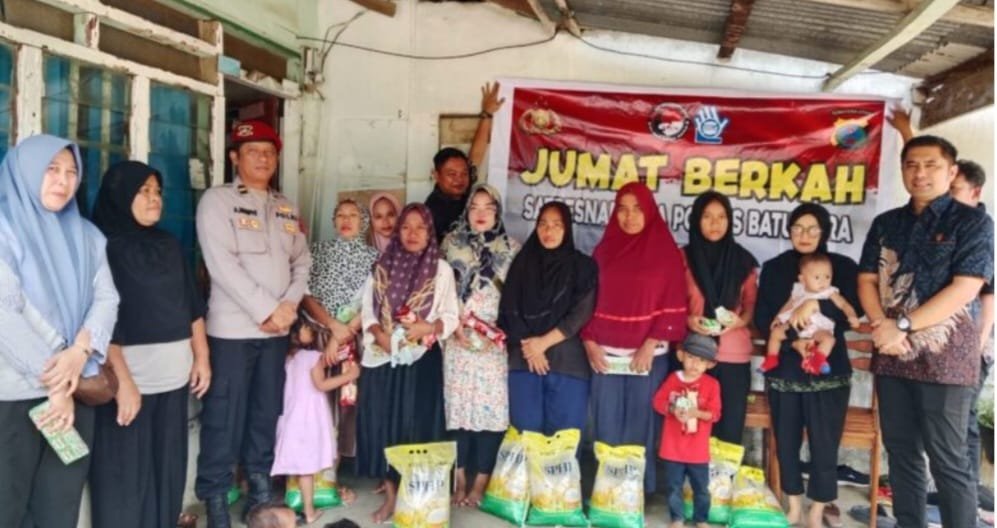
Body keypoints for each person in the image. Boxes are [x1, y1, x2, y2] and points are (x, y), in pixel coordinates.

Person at [857, 135, 993, 527]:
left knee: (948, 461)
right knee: (901, 453)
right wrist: (882, 326)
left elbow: (965, 287)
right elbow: (867, 279)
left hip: (946, 361)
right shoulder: (887, 223)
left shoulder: (973, 222)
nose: (920, 173)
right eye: (912, 165)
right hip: (893, 356)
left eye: (931, 165)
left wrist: (901, 325)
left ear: (951, 172)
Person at [195, 120, 312, 528]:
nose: (263, 158)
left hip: (276, 332)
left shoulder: (285, 206)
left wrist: (289, 306)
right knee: (223, 417)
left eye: (269, 152)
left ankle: (260, 494)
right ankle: (215, 500)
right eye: (252, 151)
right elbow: (222, 265)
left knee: (266, 412)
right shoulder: (218, 201)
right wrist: (267, 309)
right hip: (232, 332)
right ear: (234, 157)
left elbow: (302, 261)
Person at [0, 135, 119, 527]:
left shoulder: (88, 236)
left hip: (76, 389)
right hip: (13, 396)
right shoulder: (4, 230)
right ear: (25, 172)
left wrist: (80, 352)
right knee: (6, 506)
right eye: (51, 170)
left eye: (71, 172)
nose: (63, 181)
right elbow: (6, 313)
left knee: (59, 505)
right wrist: (57, 384)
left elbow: (107, 298)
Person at [88, 161, 211, 528]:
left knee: (167, 473)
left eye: (157, 192)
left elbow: (191, 306)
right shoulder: (104, 247)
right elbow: (103, 322)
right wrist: (124, 383)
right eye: (144, 192)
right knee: (125, 479)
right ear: (120, 195)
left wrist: (202, 357)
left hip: (173, 380)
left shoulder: (168, 244)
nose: (154, 199)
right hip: (130, 384)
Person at [754, 202, 862, 528]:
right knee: (786, 441)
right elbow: (763, 317)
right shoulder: (775, 269)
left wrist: (816, 304)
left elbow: (853, 312)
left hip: (829, 370)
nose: (805, 235)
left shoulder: (842, 267)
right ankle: (794, 506)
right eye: (797, 228)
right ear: (788, 231)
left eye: (813, 228)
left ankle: (817, 510)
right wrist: (793, 342)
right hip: (786, 369)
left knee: (824, 443)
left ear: (825, 231)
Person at [355, 203, 459, 523]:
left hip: (420, 359)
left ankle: (414, 497)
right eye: (406, 227)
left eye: (420, 227)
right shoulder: (382, 266)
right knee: (383, 425)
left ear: (430, 232)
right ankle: (390, 497)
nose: (412, 234)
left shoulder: (440, 269)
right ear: (398, 232)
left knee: (415, 426)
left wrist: (428, 328)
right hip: (383, 357)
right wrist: (379, 334)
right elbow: (367, 310)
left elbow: (451, 316)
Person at [582, 181, 688, 494]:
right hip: (605, 355)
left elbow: (673, 304)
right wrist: (589, 342)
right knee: (606, 423)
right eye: (622, 209)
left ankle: (635, 492)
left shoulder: (666, 254)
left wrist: (650, 343)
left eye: (637, 209)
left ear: (650, 211)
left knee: (641, 425)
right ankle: (608, 493)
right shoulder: (603, 251)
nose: (629, 217)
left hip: (648, 356)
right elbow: (585, 301)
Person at [440, 183, 520, 506]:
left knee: (491, 412)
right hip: (457, 337)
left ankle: (480, 483)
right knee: (457, 410)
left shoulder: (511, 248)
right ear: (467, 211)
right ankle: (459, 480)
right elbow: (439, 289)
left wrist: (498, 332)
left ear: (497, 212)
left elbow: (517, 299)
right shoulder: (450, 243)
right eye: (475, 207)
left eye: (488, 207)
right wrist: (453, 324)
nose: (481, 213)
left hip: (492, 342)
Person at [499, 201, 598, 436]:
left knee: (563, 442)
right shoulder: (522, 264)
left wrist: (541, 344)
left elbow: (581, 313)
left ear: (567, 229)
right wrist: (531, 348)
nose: (548, 231)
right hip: (524, 361)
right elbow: (509, 309)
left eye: (556, 225)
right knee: (525, 436)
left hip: (567, 364)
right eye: (543, 224)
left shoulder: (582, 266)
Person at [302, 198, 378, 484]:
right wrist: (332, 326)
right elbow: (305, 295)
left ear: (363, 222)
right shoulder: (317, 252)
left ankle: (334, 468)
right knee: (316, 400)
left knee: (346, 404)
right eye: (341, 215)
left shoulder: (373, 258)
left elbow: (372, 302)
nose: (346, 220)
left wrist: (345, 331)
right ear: (333, 220)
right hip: (318, 337)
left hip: (351, 340)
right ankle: (312, 469)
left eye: (353, 215)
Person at [683, 191, 757, 445]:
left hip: (732, 356)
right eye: (707, 217)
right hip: (693, 355)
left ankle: (723, 472)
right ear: (696, 220)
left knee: (729, 428)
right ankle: (692, 472)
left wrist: (740, 321)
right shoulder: (683, 258)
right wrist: (689, 320)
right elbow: (672, 302)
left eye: (721, 217)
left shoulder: (743, 261)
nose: (715, 223)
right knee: (690, 427)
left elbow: (751, 305)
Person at [271, 315, 360, 524]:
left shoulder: (286, 359)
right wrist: (349, 376)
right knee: (307, 469)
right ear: (295, 334)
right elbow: (321, 385)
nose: (310, 330)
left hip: (290, 418)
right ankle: (310, 512)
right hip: (309, 418)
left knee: (300, 466)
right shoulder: (311, 356)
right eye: (305, 328)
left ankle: (298, 505)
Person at [653, 334, 721, 528]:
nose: (695, 364)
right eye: (691, 357)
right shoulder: (672, 379)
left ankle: (701, 519)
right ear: (680, 355)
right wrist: (672, 409)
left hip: (697, 451)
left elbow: (715, 414)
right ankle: (677, 519)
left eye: (701, 360)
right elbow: (657, 402)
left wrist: (696, 413)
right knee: (673, 487)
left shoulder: (712, 385)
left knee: (701, 488)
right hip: (672, 448)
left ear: (710, 364)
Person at [425, 82, 504, 241]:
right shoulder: (431, 211)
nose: (459, 179)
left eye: (464, 173)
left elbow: (476, 154)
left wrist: (487, 114)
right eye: (451, 174)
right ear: (436, 175)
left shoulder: (466, 191)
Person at [760, 254, 861, 375]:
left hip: (819, 328)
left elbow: (844, 305)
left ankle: (818, 359)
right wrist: (778, 318)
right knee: (776, 333)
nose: (823, 282)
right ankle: (772, 358)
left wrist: (852, 316)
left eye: (827, 277)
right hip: (796, 326)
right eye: (817, 277)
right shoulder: (798, 289)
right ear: (802, 279)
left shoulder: (830, 292)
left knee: (829, 340)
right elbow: (789, 304)